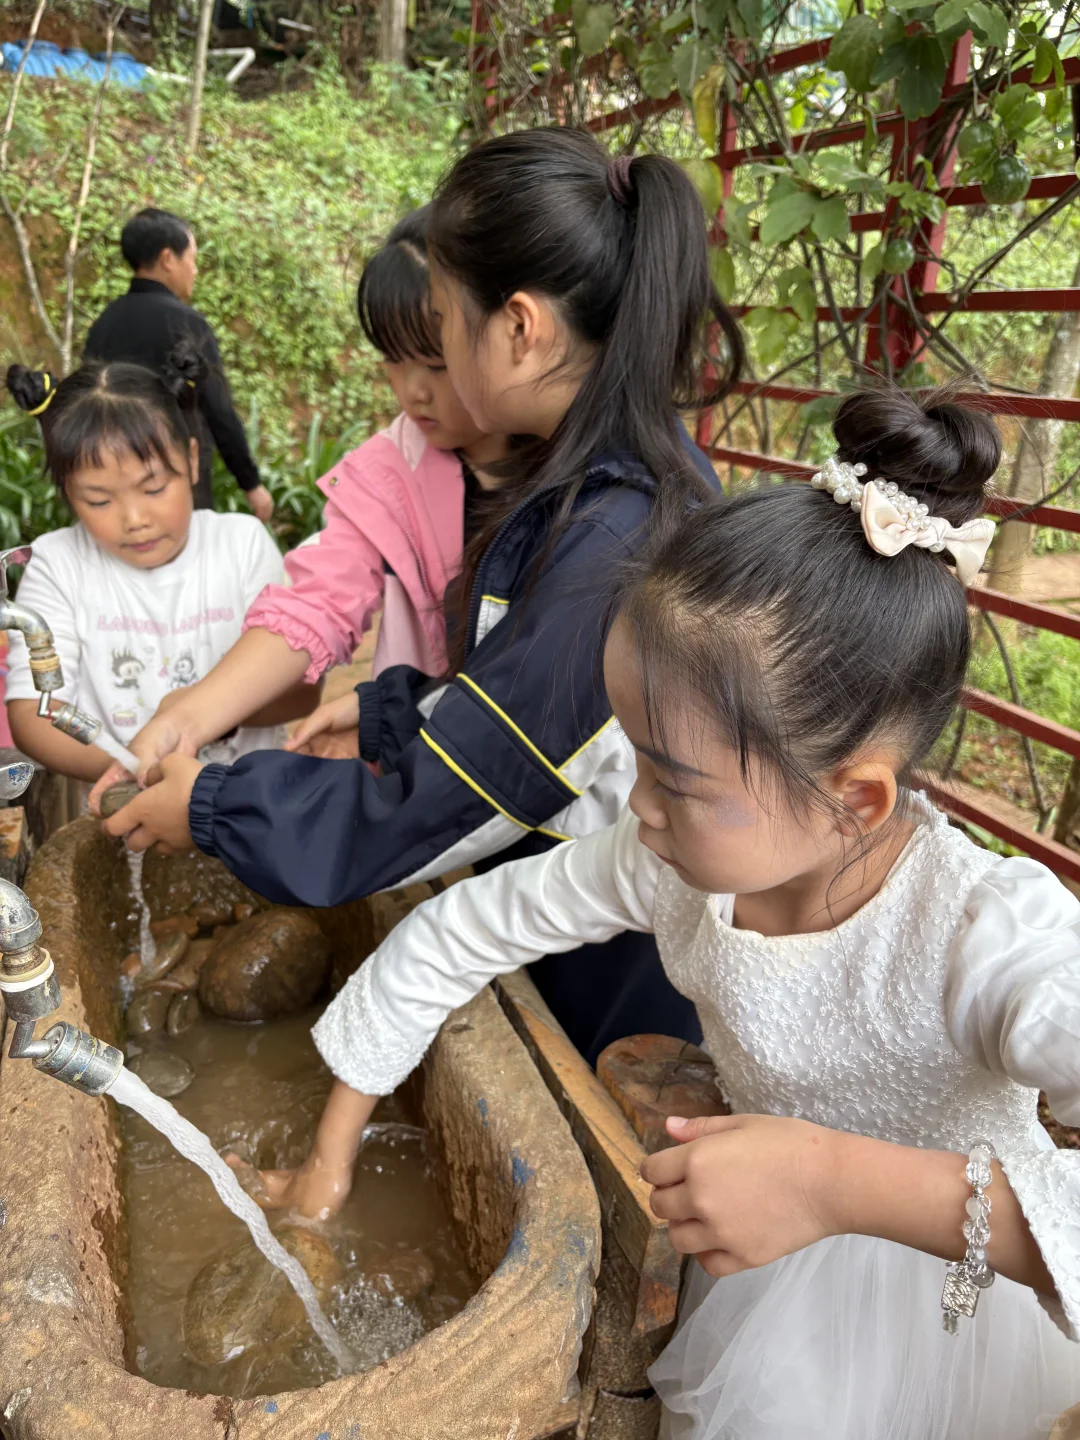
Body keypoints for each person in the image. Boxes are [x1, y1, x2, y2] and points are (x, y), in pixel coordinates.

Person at [231, 386, 1080, 1439]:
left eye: (676, 781)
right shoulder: (675, 862)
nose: (637, 806)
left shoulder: (988, 939)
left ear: (855, 797)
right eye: (636, 758)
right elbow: (459, 930)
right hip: (770, 1297)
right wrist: (326, 1162)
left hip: (955, 1334)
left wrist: (834, 1181)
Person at [101, 127, 745, 1064]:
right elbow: (512, 698)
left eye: (441, 325)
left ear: (519, 331)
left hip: (623, 943)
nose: (421, 373)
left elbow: (458, 790)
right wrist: (386, 713)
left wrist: (215, 808)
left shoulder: (616, 538)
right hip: (571, 885)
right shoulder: (603, 488)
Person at [90, 204, 508, 782]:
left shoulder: (589, 474)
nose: (412, 392)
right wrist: (190, 715)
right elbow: (317, 602)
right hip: (435, 769)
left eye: (435, 363)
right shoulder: (391, 472)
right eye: (392, 358)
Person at [3, 349, 301, 784]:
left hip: (252, 798)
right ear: (68, 493)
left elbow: (301, 691)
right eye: (99, 500)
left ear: (192, 460)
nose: (135, 519)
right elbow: (33, 713)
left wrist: (201, 712)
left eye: (154, 487)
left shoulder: (241, 545)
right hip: (124, 810)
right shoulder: (57, 565)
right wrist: (133, 769)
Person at [84, 208, 273, 520]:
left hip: (115, 483)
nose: (195, 270)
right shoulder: (186, 324)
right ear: (168, 258)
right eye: (192, 258)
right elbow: (218, 409)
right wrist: (251, 483)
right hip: (179, 480)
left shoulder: (104, 324)